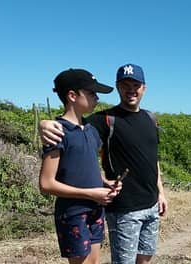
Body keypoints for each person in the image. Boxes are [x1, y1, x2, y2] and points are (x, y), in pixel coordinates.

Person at [41, 64, 167, 264]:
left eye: (136, 85)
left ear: (144, 87)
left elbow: (153, 159)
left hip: (141, 205)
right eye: (125, 85)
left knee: (143, 257)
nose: (131, 90)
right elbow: (68, 126)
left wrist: (160, 192)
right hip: (116, 208)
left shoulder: (149, 118)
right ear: (118, 87)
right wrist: (44, 124)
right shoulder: (102, 120)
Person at [38, 68, 118, 264]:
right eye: (91, 93)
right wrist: (90, 193)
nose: (96, 98)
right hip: (73, 212)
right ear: (72, 96)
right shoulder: (58, 132)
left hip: (95, 208)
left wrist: (104, 183)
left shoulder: (91, 130)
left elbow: (84, 167)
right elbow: (46, 184)